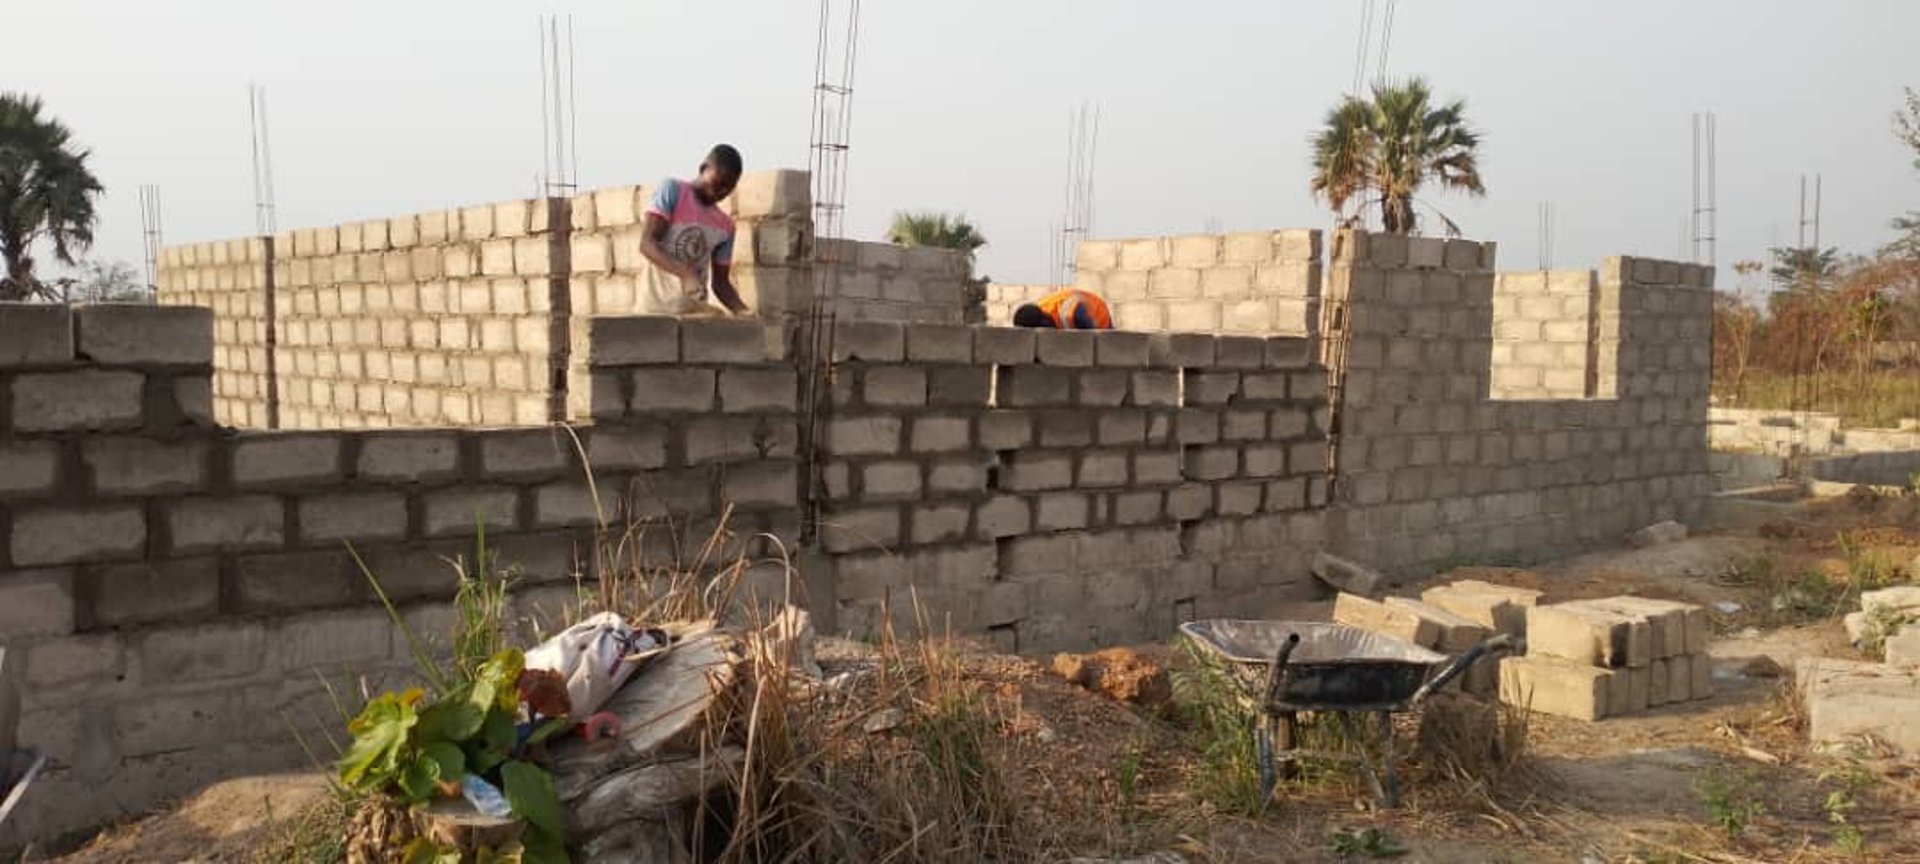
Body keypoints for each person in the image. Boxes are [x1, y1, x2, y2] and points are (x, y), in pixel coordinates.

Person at [637, 144, 750, 316]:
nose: (722, 192)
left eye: (729, 188)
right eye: (718, 183)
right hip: (656, 309)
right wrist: (685, 274)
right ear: (704, 168)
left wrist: (742, 310)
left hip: (693, 312)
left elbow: (721, 284)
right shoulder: (673, 191)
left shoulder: (725, 226)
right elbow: (647, 244)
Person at [1012, 288, 1112, 330]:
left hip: (1099, 315)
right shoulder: (1037, 311)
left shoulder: (1071, 314)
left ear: (1044, 322)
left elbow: (1094, 339)